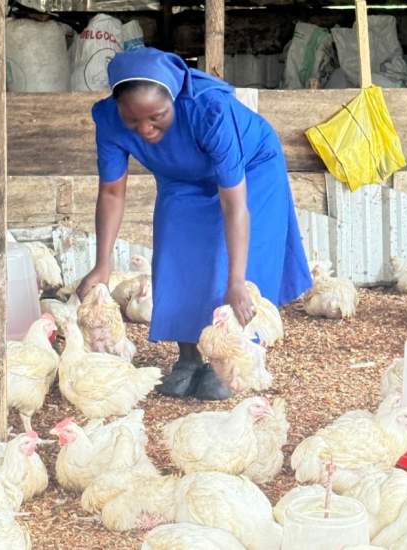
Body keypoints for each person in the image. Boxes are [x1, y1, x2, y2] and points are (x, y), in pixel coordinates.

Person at [76, 47, 312, 400]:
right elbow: (111, 192)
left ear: (173, 99)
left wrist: (236, 282)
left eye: (156, 117)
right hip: (179, 177)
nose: (145, 129)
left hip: (251, 170)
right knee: (176, 257)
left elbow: (234, 206)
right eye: (133, 120)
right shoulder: (109, 119)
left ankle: (229, 360)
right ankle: (188, 358)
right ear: (118, 107)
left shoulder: (209, 110)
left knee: (228, 263)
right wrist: (102, 265)